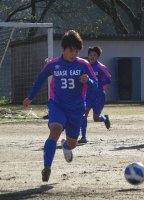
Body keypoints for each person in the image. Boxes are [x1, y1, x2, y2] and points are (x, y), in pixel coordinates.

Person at [22, 30, 97, 182]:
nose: (74, 53)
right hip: (58, 106)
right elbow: (40, 79)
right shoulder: (53, 64)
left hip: (76, 109)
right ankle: (47, 168)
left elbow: (96, 85)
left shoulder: (84, 65)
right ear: (63, 49)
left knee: (72, 143)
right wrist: (30, 97)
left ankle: (66, 146)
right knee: (55, 130)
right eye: (71, 50)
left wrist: (88, 81)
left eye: (77, 50)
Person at [78, 46, 111, 144]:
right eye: (90, 55)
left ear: (98, 57)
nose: (92, 57)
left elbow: (109, 79)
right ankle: (83, 137)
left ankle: (105, 118)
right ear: (88, 56)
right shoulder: (85, 66)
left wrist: (97, 84)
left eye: (94, 55)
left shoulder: (100, 67)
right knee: (84, 114)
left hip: (99, 96)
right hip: (88, 95)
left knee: (96, 118)